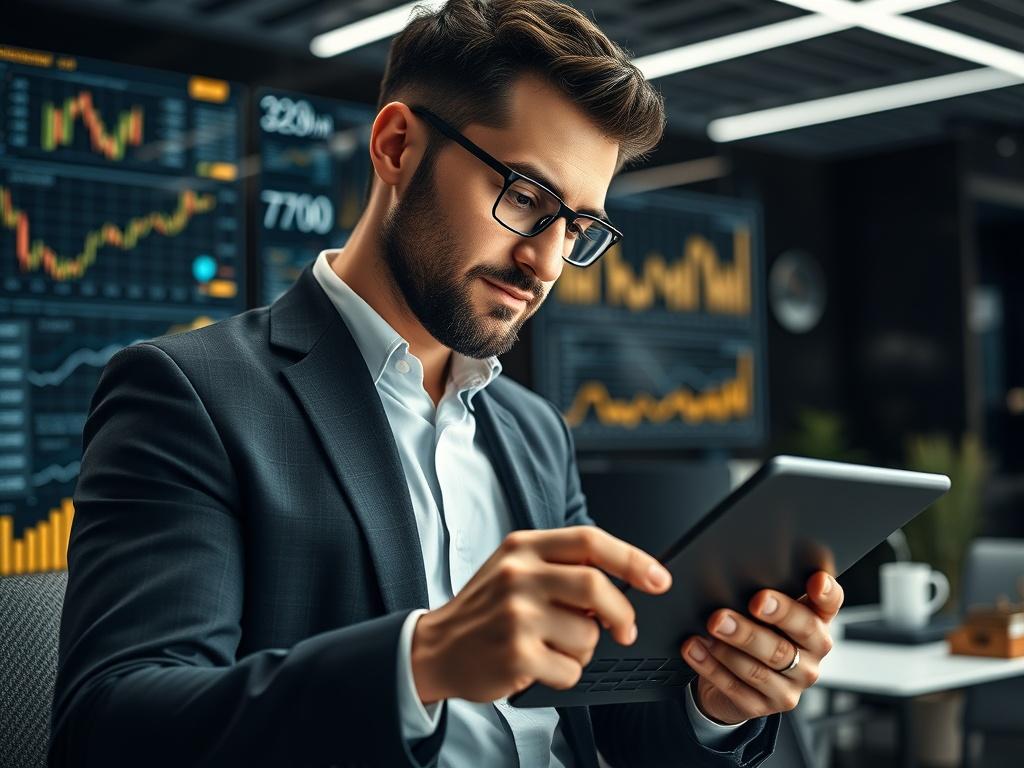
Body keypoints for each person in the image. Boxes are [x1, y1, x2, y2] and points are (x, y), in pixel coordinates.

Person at [50, 1, 843, 766]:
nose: (545, 262)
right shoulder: (192, 394)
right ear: (397, 147)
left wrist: (714, 700)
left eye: (577, 227)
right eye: (525, 197)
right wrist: (420, 662)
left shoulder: (534, 432)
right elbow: (110, 728)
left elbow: (609, 723)